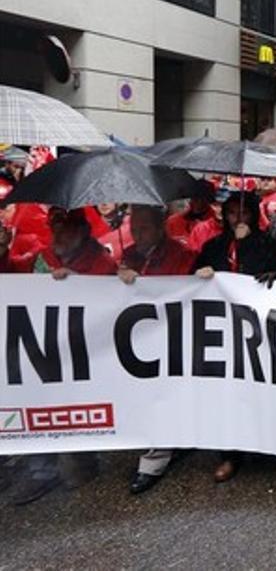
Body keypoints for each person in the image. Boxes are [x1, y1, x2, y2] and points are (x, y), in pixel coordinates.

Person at [1, 208, 116, 505]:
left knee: (77, 404)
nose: (58, 236)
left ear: (82, 232)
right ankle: (41, 471)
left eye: (65, 229)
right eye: (55, 229)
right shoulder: (43, 257)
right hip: (39, 349)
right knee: (34, 402)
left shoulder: (101, 261)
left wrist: (77, 283)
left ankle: (84, 460)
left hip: (81, 350)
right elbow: (12, 272)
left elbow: (110, 299)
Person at [192, 189, 276, 483]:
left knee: (260, 388)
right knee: (226, 392)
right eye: (233, 212)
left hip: (257, 331)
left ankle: (265, 447)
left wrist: (251, 252)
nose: (238, 218)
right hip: (222, 332)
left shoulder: (267, 243)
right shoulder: (213, 246)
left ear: (253, 215)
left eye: (244, 212)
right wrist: (201, 272)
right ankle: (229, 455)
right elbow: (191, 278)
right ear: (224, 215)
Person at [118, 205, 198, 496]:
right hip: (140, 337)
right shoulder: (129, 254)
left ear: (160, 227)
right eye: (134, 229)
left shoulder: (181, 254)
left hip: (173, 334)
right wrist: (121, 274)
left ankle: (153, 460)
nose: (138, 235)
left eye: (145, 229)